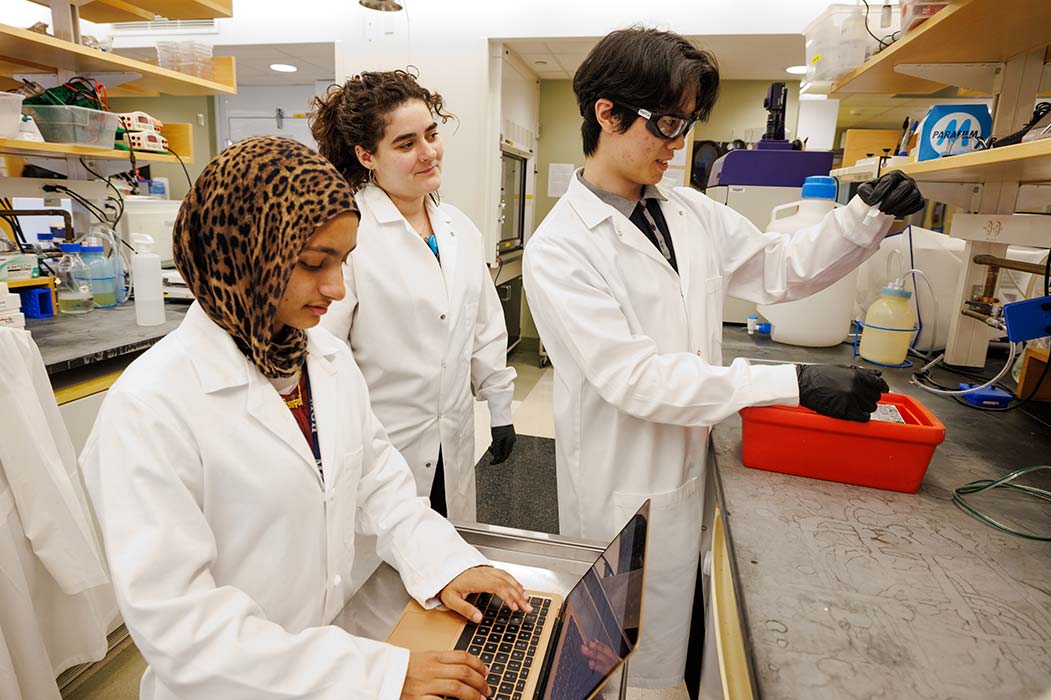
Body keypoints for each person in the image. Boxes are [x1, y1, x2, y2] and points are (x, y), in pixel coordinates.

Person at [522, 28, 924, 693]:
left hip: (686, 462)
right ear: (607, 111)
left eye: (687, 123)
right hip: (625, 481)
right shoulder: (560, 249)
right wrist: (792, 382)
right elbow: (637, 379)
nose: (679, 142)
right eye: (668, 122)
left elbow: (778, 269)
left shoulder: (688, 212)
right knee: (623, 664)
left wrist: (865, 218)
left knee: (669, 643)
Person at [81, 136, 532, 700]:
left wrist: (445, 563)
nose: (337, 288)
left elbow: (380, 485)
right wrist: (380, 675)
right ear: (245, 253)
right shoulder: (151, 407)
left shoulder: (324, 360)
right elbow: (182, 630)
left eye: (344, 260)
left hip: (332, 655)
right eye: (314, 263)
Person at [312, 70, 517, 525]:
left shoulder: (459, 228)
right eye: (406, 144)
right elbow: (326, 353)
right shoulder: (349, 234)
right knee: (387, 572)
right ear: (367, 155)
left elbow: (483, 326)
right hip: (382, 444)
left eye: (431, 134)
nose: (428, 153)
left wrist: (500, 407)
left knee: (449, 555)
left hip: (454, 438)